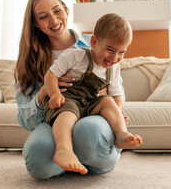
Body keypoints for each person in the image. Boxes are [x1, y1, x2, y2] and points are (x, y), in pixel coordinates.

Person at [14, 0, 128, 179]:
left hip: (91, 115)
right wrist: (45, 91)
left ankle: (91, 158)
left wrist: (112, 108)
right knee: (38, 155)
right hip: (54, 119)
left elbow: (116, 92)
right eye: (43, 17)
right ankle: (66, 156)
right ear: (36, 24)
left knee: (88, 131)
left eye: (57, 11)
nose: (53, 20)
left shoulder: (99, 46)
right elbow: (26, 121)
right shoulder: (28, 63)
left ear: (66, 10)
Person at [42, 13, 142, 174]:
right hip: (69, 98)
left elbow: (116, 93)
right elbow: (51, 75)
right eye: (110, 50)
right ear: (94, 41)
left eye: (121, 52)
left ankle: (121, 134)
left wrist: (117, 111)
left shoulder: (114, 68)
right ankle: (64, 149)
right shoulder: (76, 56)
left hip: (91, 103)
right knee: (67, 113)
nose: (115, 57)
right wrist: (54, 94)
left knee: (107, 101)